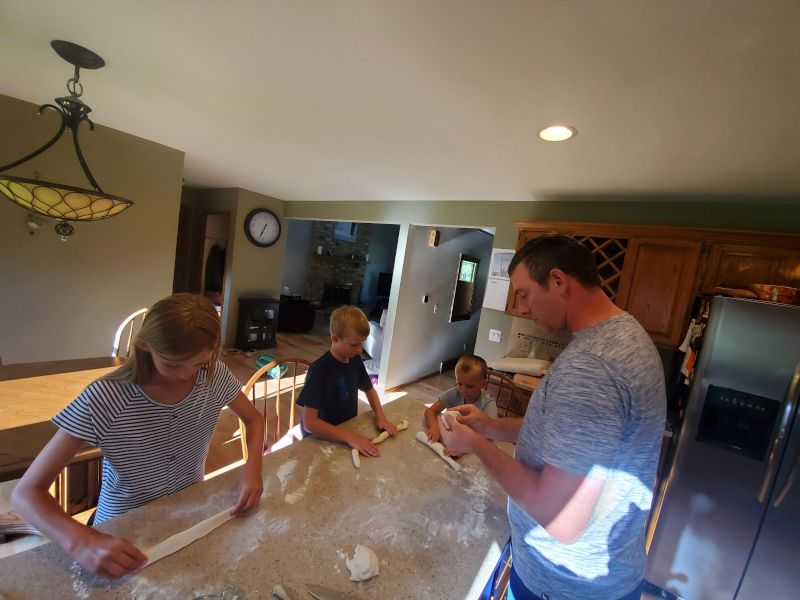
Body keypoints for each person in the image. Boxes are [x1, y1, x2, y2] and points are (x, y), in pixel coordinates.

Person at [440, 234, 665, 600]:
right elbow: (562, 438)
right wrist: (490, 425)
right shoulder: (625, 333)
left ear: (559, 281)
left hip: (564, 584)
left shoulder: (590, 368)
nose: (524, 308)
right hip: (602, 573)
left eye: (525, 293)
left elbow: (559, 516)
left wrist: (476, 444)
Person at [12, 293, 265, 579]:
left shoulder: (213, 374)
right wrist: (80, 540)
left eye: (197, 364)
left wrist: (252, 468)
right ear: (144, 346)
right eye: (172, 364)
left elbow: (254, 420)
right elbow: (26, 494)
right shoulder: (106, 397)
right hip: (122, 526)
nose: (185, 375)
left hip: (188, 512)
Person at [297, 305, 397, 456]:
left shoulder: (355, 360)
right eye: (354, 345)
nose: (359, 350)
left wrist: (380, 416)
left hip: (346, 431)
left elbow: (370, 390)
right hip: (320, 441)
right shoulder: (319, 370)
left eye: (362, 344)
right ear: (335, 338)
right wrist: (350, 437)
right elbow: (310, 423)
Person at [424, 354, 496, 444]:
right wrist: (434, 427)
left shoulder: (488, 404)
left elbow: (491, 434)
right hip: (450, 439)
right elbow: (430, 411)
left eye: (470, 386)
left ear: (484, 384)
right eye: (459, 383)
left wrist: (467, 446)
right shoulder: (454, 393)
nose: (463, 390)